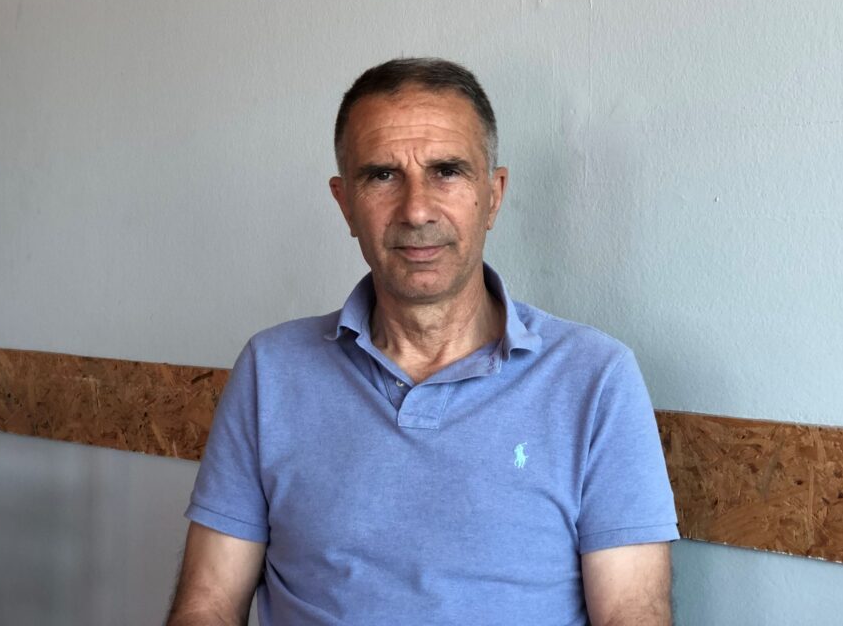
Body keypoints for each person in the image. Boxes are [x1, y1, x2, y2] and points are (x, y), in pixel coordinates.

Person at [166, 58, 679, 626]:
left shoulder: (595, 378)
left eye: (446, 171)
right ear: (345, 203)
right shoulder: (271, 370)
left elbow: (631, 613)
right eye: (382, 176)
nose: (416, 209)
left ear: (493, 194)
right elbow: (209, 602)